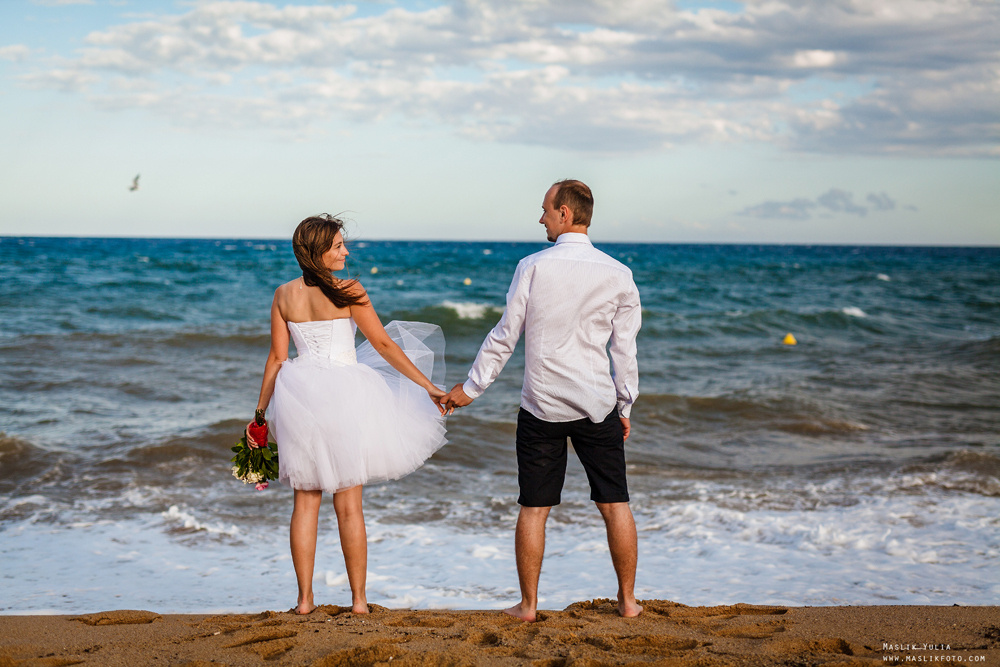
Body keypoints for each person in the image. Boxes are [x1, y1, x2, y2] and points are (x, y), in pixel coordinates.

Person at [442, 180, 642, 622]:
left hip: (541, 407)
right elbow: (624, 351)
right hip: (597, 404)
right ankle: (628, 602)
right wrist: (625, 407)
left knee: (534, 509)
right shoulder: (618, 274)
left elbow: (504, 336)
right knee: (615, 504)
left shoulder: (532, 266)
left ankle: (529, 607)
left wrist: (471, 389)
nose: (542, 218)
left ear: (565, 213)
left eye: (546, 211)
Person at [254, 214, 448, 615]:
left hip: (299, 395)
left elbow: (277, 358)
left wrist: (259, 414)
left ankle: (304, 601)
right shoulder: (349, 290)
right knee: (349, 506)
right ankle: (359, 601)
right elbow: (383, 344)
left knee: (304, 503)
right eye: (339, 245)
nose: (346, 251)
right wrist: (427, 385)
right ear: (319, 252)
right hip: (345, 395)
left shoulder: (283, 295)